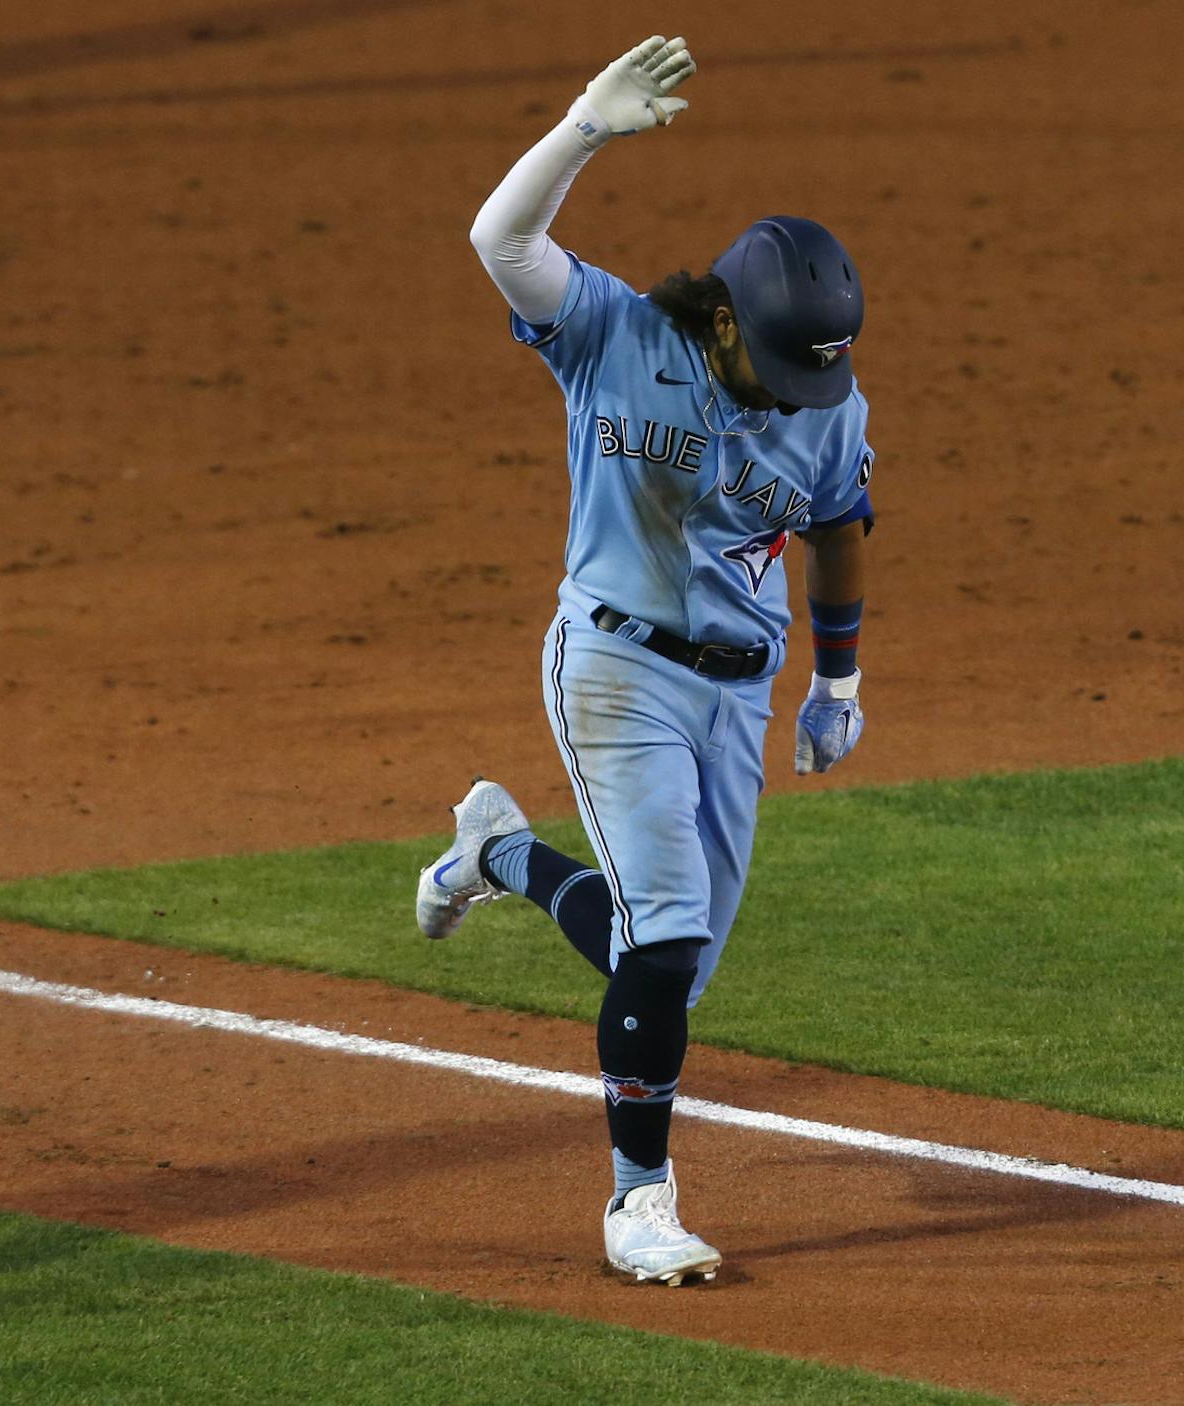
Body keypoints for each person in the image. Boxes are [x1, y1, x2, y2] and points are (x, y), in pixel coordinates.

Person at [412, 35, 875, 1288]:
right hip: (614, 667)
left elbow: (837, 531)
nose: (791, 400)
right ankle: (639, 1202)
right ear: (722, 314)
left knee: (665, 959)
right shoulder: (610, 333)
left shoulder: (828, 407)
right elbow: (499, 244)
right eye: (775, 367)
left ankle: (496, 850)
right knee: (664, 941)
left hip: (740, 687)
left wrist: (837, 679)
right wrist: (584, 127)